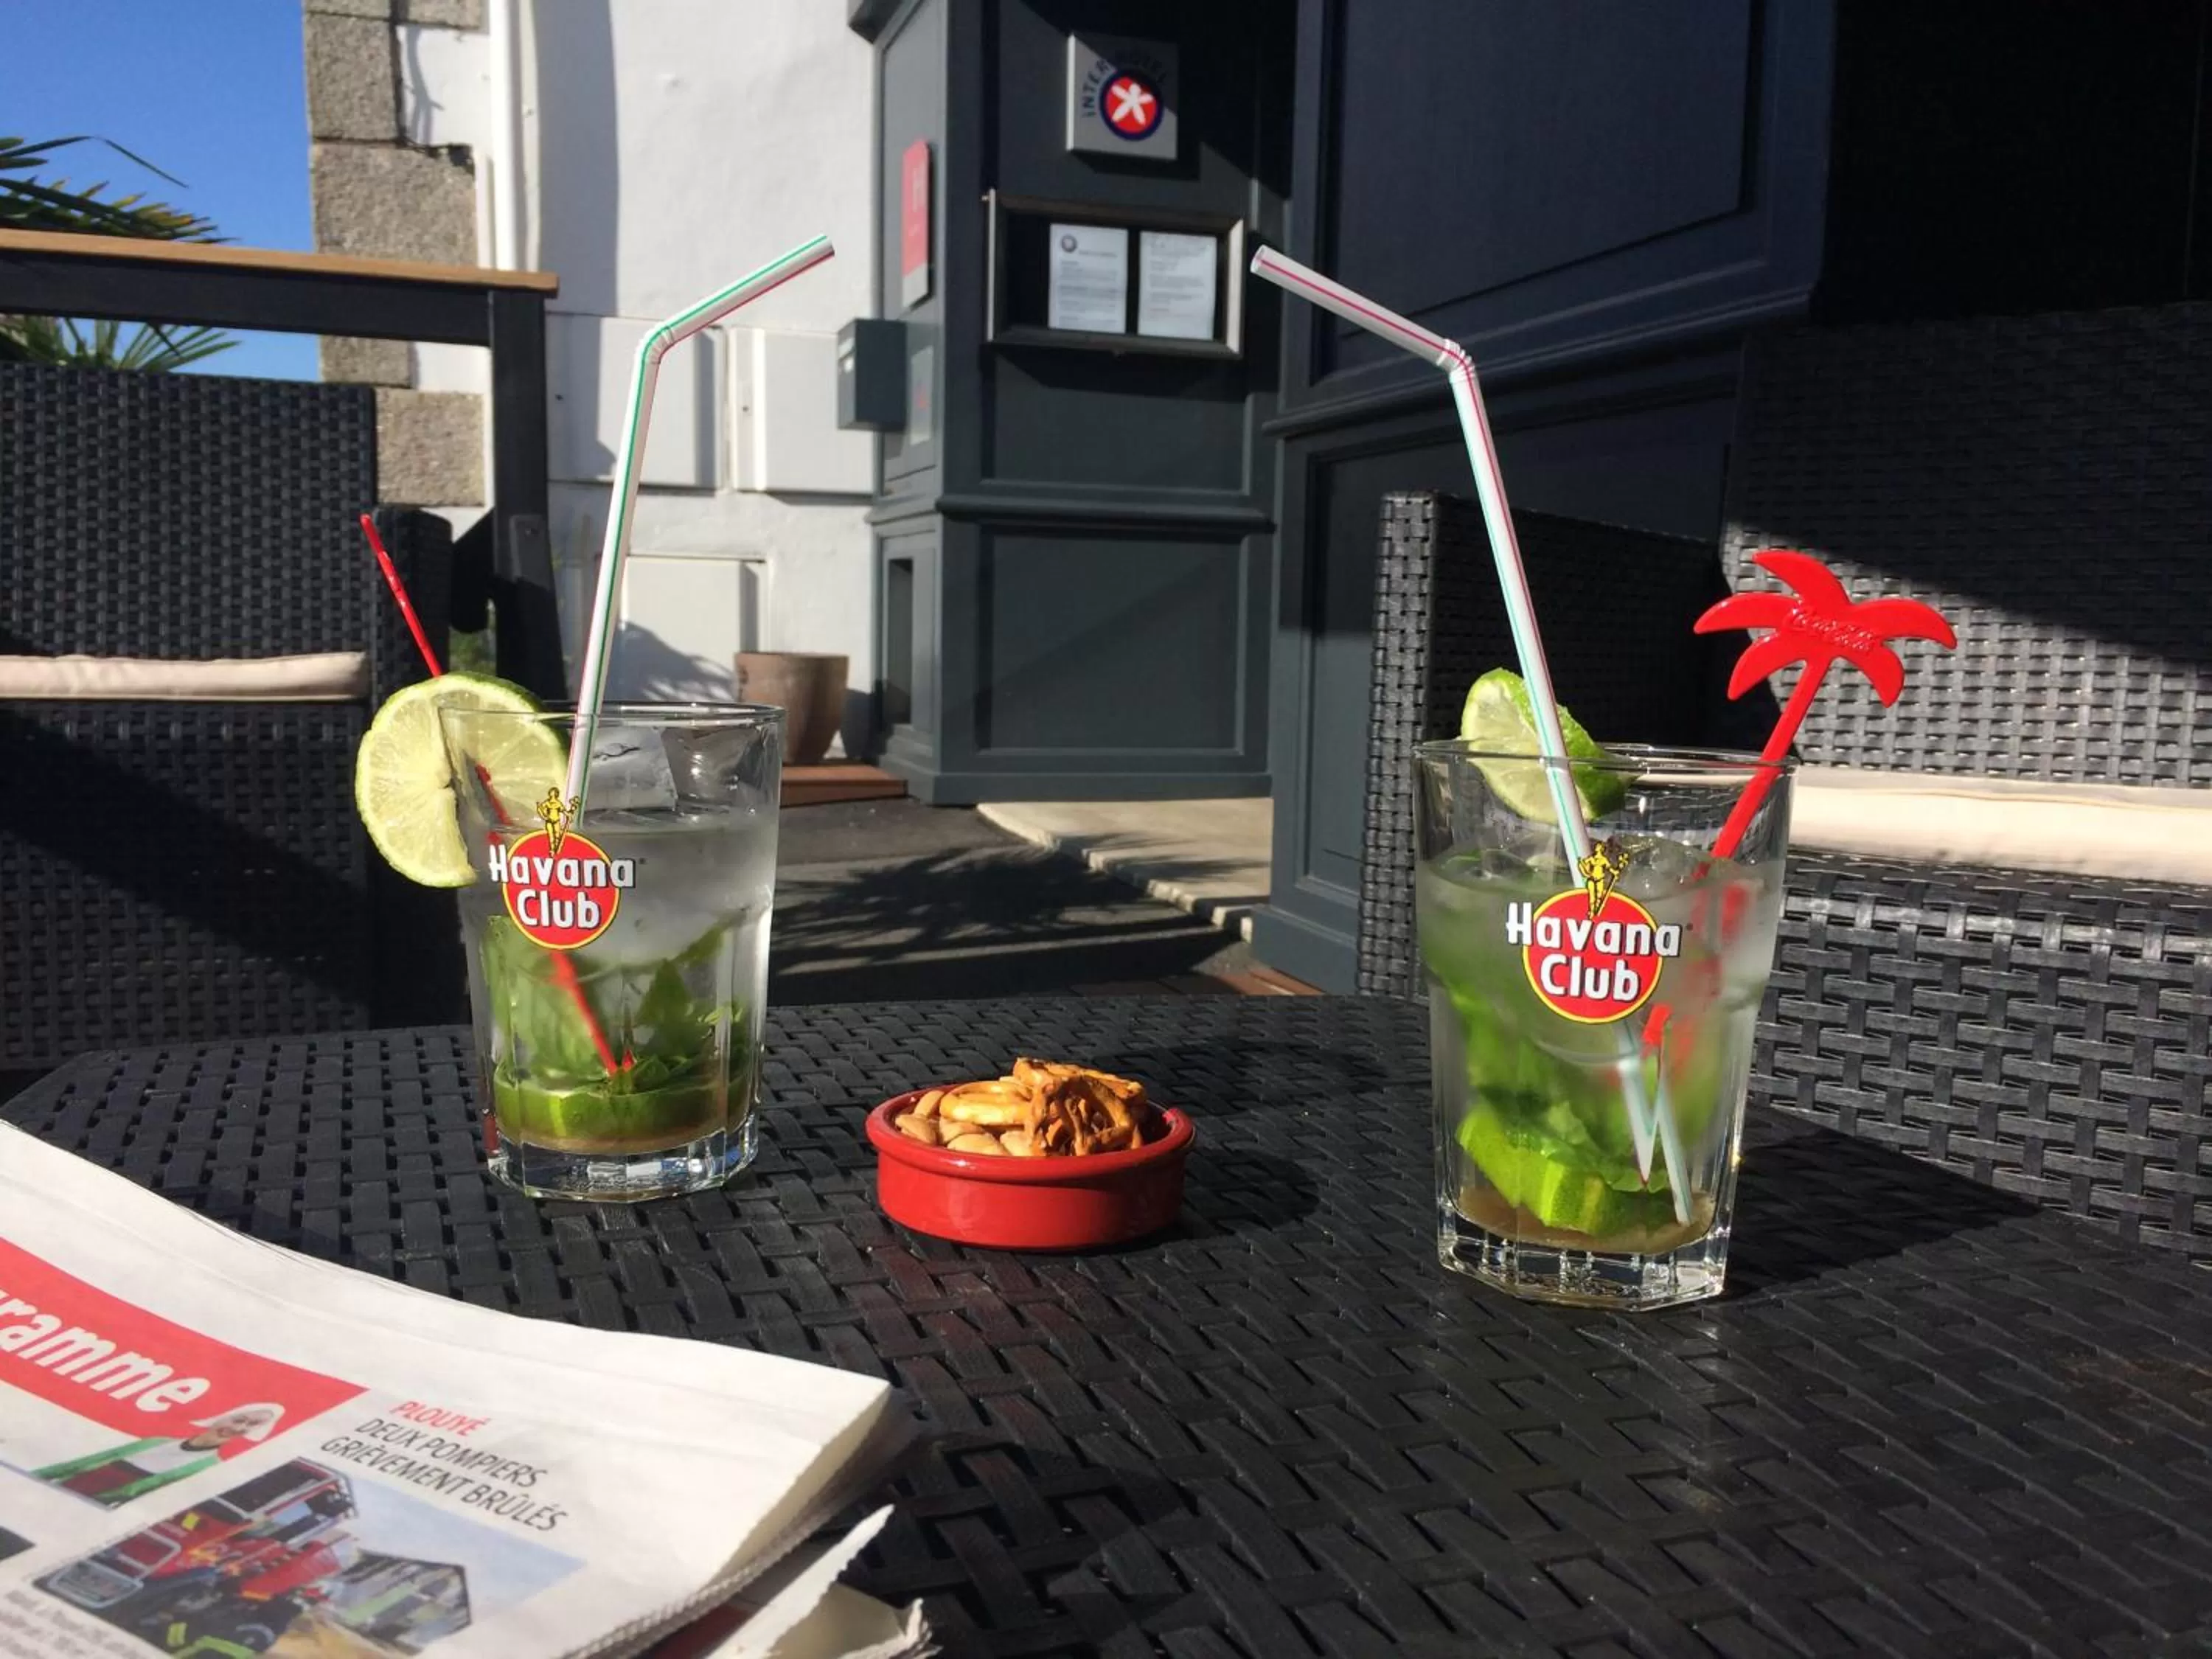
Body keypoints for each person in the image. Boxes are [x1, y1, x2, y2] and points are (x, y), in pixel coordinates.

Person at [32, 1405, 285, 1506]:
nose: (239, 1427)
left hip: (93, 1506)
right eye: (239, 1418)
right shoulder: (157, 1442)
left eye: (250, 1426)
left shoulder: (208, 1468)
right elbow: (84, 1463)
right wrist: (35, 1477)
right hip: (59, 1490)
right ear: (225, 1415)